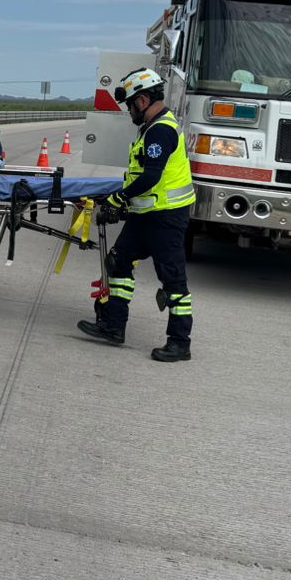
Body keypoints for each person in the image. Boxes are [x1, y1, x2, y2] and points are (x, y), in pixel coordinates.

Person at [76, 67, 196, 361]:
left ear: (141, 101)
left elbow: (150, 177)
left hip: (166, 218)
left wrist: (118, 198)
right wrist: (124, 202)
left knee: (173, 281)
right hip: (145, 216)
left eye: (130, 105)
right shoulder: (150, 129)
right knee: (118, 262)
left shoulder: (161, 131)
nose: (129, 112)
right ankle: (114, 326)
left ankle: (180, 343)